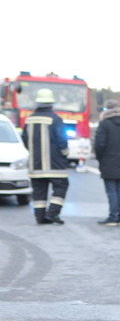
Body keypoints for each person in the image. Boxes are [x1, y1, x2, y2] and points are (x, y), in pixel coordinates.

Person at [21, 88, 69, 224]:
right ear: (51, 103)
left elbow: (25, 140)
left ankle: (40, 217)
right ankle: (53, 214)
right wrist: (65, 154)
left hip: (35, 165)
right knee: (61, 187)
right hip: (55, 165)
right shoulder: (55, 119)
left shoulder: (29, 120)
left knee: (39, 192)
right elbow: (62, 140)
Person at [94, 99, 120, 226]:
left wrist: (100, 158)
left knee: (111, 190)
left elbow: (99, 144)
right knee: (119, 189)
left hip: (108, 160)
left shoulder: (104, 124)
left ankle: (113, 216)